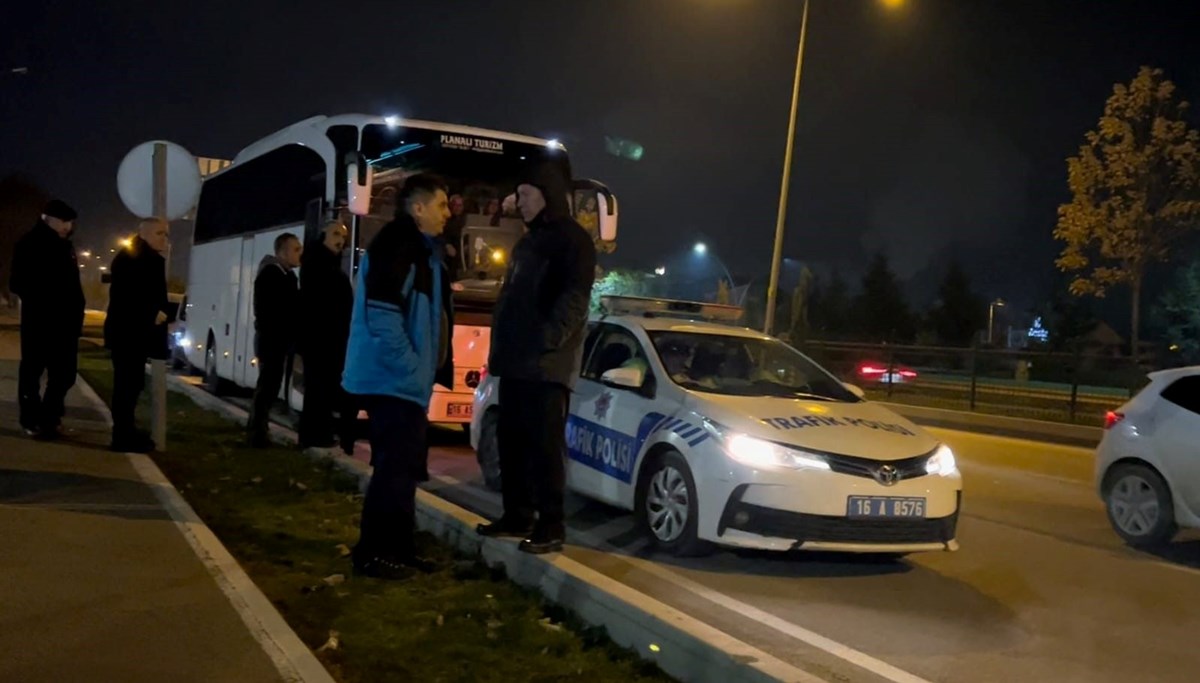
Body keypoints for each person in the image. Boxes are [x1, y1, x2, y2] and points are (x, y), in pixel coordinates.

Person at [477, 162, 597, 554]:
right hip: (514, 363)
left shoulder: (573, 241)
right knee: (511, 441)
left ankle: (551, 524)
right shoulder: (528, 242)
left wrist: (545, 341)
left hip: (546, 366)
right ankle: (517, 515)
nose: (519, 202)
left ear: (547, 195)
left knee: (544, 446)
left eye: (525, 194)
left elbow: (574, 300)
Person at [343, 173, 454, 579]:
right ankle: (374, 554)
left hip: (403, 382)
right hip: (392, 380)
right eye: (441, 205)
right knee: (393, 469)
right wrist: (411, 368)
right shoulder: (398, 245)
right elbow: (384, 316)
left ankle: (399, 550)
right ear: (418, 207)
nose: (448, 213)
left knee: (404, 469)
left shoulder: (422, 250)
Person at [9, 199, 85, 439]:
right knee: (33, 372)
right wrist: (47, 299)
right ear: (49, 219)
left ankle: (50, 418)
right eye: (65, 221)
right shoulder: (30, 244)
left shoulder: (65, 247)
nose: (68, 226)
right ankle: (32, 420)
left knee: (64, 374)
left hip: (65, 323)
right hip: (41, 322)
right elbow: (18, 282)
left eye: (70, 222)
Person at [103, 218, 171, 452]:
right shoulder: (136, 259)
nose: (165, 239)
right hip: (130, 334)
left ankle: (126, 433)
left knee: (131, 385)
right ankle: (122, 437)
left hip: (131, 334)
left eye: (166, 234)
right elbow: (128, 296)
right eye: (160, 233)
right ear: (146, 234)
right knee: (127, 386)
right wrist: (153, 313)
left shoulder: (138, 257)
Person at [298, 221, 354, 450]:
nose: (340, 239)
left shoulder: (326, 263)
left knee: (321, 388)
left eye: (343, 236)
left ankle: (317, 433)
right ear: (323, 235)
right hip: (322, 339)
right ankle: (315, 435)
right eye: (335, 234)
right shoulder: (318, 264)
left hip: (327, 339)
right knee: (319, 388)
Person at [247, 233, 302, 447]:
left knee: (270, 387)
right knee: (267, 387)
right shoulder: (271, 275)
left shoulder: (288, 276)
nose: (300, 254)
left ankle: (259, 430)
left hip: (279, 342)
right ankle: (257, 434)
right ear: (282, 252)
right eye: (296, 249)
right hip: (271, 342)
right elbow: (272, 312)